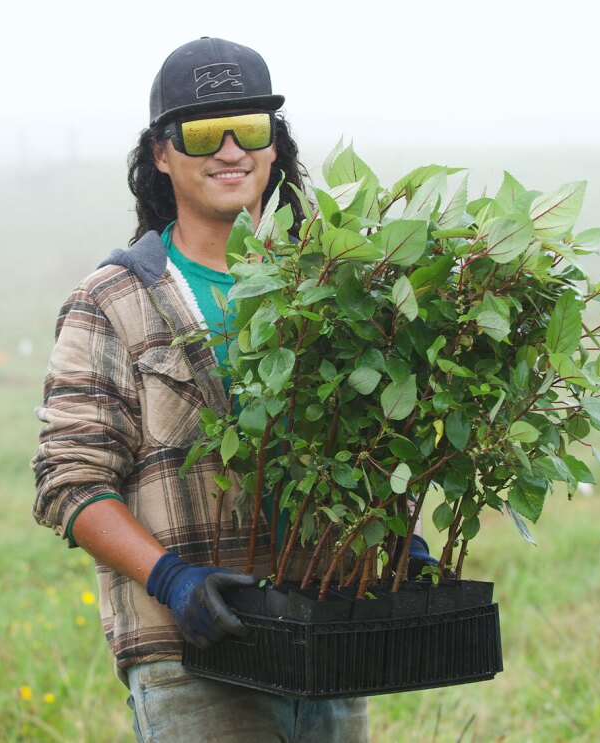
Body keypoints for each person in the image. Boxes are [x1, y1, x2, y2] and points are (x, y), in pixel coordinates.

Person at [32, 37, 435, 741]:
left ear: (274, 145)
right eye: (200, 131)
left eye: (249, 128)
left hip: (329, 637)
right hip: (193, 658)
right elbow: (69, 482)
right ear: (160, 152)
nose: (229, 150)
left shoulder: (328, 287)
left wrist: (401, 542)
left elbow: (370, 448)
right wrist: (173, 580)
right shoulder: (115, 300)